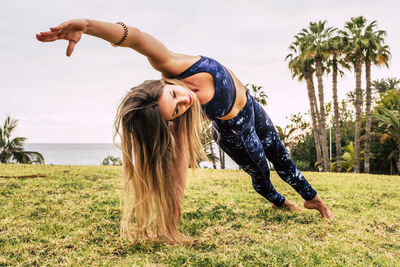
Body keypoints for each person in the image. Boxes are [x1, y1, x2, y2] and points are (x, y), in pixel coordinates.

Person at [36, 19, 334, 243]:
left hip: (252, 106)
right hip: (233, 131)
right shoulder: (180, 122)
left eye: (174, 95)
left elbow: (134, 38)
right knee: (261, 173)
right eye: (177, 110)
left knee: (282, 156)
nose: (185, 100)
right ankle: (281, 201)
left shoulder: (172, 65)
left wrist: (86, 26)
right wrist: (171, 225)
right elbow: (178, 172)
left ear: (162, 83)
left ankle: (313, 199)